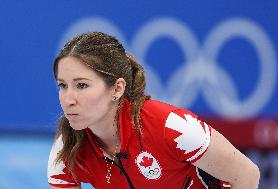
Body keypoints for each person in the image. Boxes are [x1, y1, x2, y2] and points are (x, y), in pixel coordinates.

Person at [47, 32, 260, 189]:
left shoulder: (173, 127)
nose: (68, 99)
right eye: (62, 85)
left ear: (117, 88)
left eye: (82, 85)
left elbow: (246, 175)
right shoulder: (66, 150)